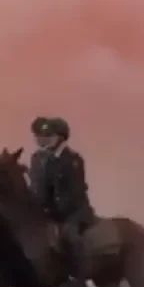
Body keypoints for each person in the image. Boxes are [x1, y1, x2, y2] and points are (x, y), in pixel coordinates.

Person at [41, 117, 95, 278]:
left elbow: (75, 192)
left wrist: (56, 210)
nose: (46, 139)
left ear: (61, 137)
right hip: (55, 212)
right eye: (46, 135)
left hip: (75, 212)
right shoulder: (49, 160)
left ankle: (79, 273)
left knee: (70, 236)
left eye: (51, 135)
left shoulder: (73, 159)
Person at [27, 116, 54, 203]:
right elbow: (34, 183)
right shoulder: (36, 157)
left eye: (41, 135)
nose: (38, 138)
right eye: (36, 135)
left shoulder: (60, 156)